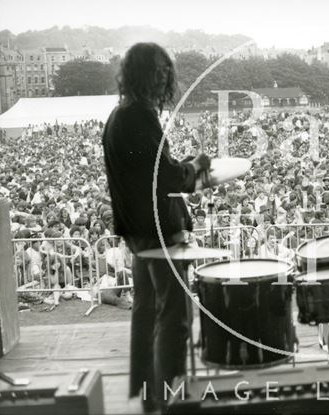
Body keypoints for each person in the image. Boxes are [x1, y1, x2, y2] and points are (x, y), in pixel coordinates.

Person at [101, 42, 212, 413]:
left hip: (138, 230)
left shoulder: (121, 115)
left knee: (146, 312)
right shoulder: (138, 116)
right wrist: (194, 167)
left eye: (168, 69)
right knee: (174, 315)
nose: (165, 76)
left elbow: (146, 172)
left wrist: (179, 166)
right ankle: (169, 398)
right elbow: (162, 177)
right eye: (158, 69)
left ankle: (150, 398)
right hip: (156, 230)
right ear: (140, 73)